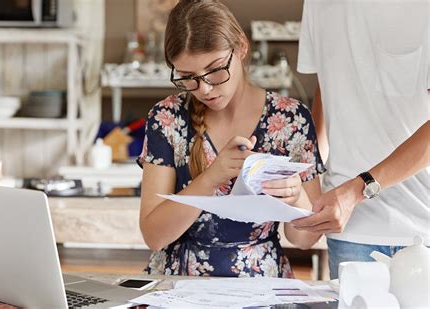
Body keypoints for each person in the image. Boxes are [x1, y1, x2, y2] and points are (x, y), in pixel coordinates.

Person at [137, 0, 326, 277]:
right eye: (188, 77)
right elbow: (154, 237)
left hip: (263, 283)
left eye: (214, 70)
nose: (204, 89)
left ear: (241, 46)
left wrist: (296, 200)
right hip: (179, 284)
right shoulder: (167, 118)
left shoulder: (291, 118)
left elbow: (305, 240)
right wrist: (210, 178)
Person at [293, 0, 430, 279]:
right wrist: (311, 187)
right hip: (351, 231)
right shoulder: (317, 5)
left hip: (422, 226)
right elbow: (329, 85)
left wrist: (356, 190)